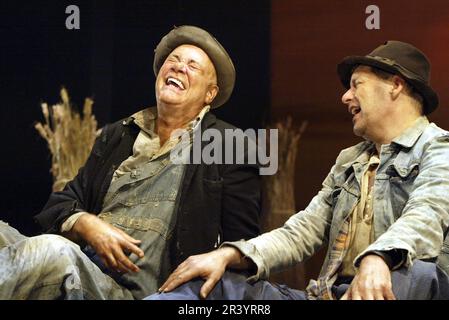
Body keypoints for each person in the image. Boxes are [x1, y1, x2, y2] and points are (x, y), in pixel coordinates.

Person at [149, 40, 449, 300]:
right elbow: (302, 231)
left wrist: (380, 257)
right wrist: (230, 254)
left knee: (418, 274)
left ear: (395, 85)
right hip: (333, 293)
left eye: (356, 85)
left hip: (399, 289)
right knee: (216, 285)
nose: (345, 97)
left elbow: (427, 213)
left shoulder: (439, 148)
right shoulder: (350, 161)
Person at [0, 25, 261, 299]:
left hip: (140, 293)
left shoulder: (229, 145)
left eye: (192, 66)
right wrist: (87, 224)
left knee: (52, 253)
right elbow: (60, 205)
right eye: (173, 60)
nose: (178, 67)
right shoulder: (118, 134)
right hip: (84, 267)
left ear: (210, 94)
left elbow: (245, 248)